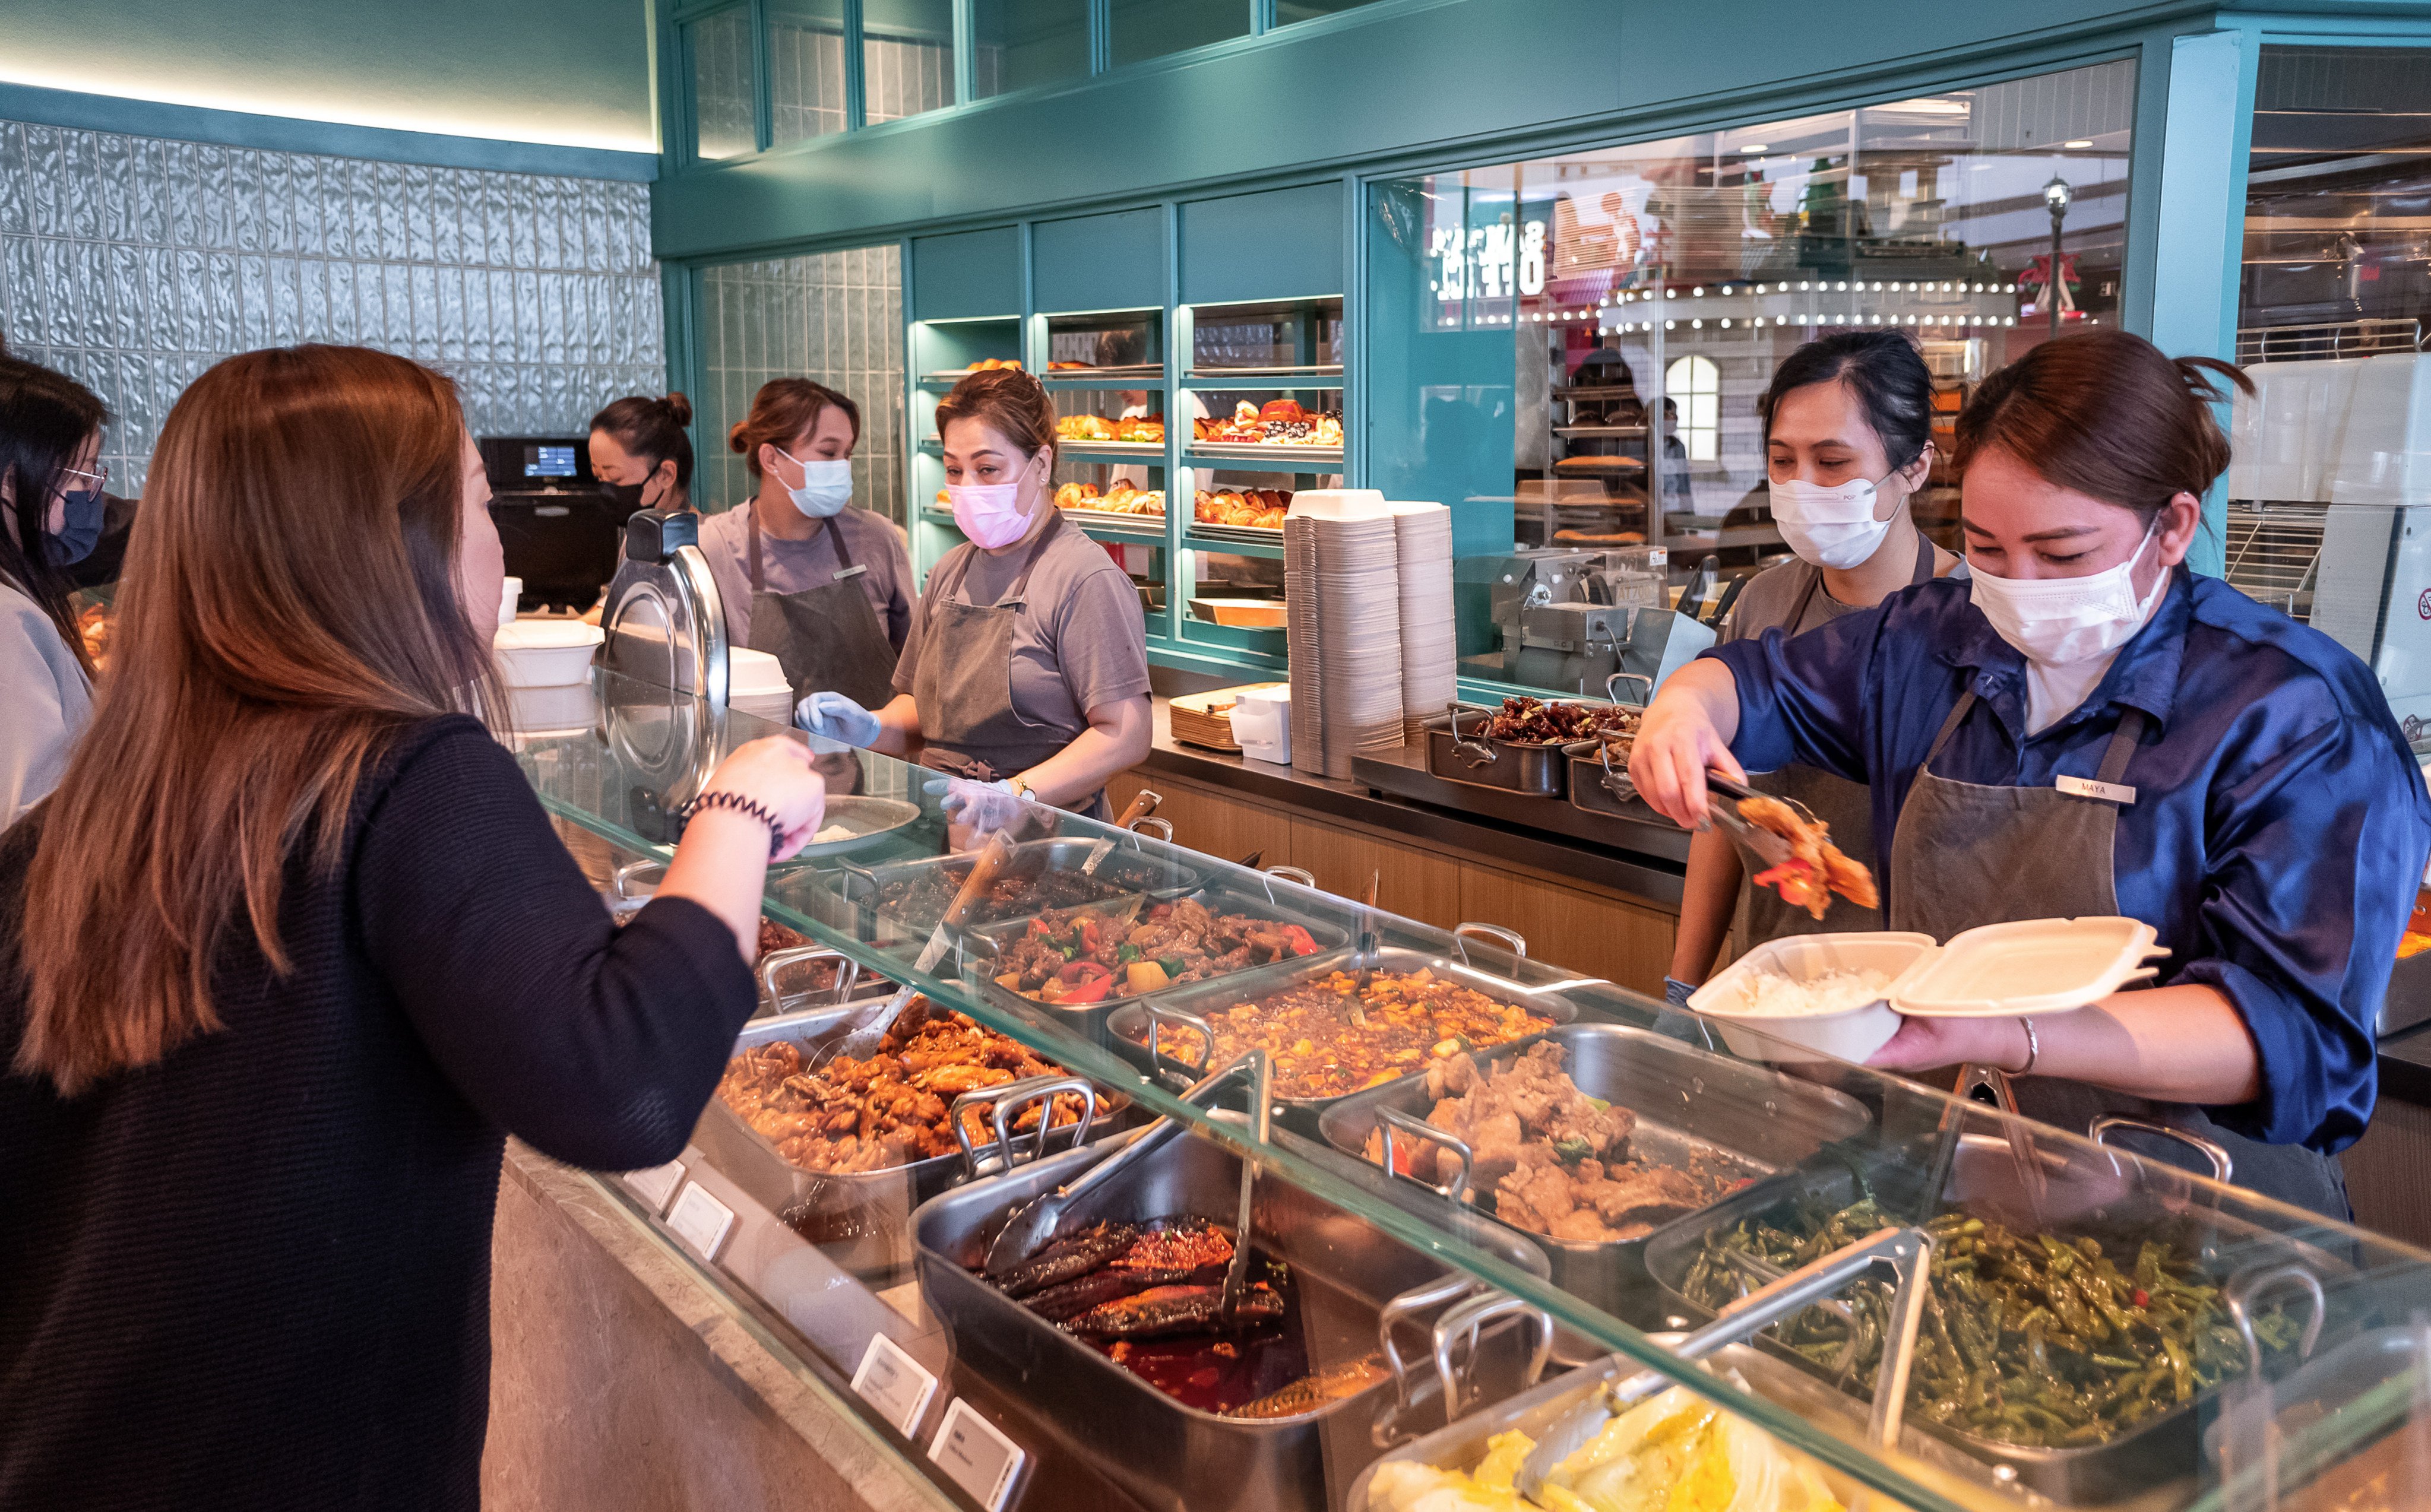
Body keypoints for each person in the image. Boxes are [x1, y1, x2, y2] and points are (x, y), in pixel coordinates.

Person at [0, 344, 828, 1508]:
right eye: (476, 503)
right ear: (401, 547)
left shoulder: (72, 822)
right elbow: (622, 1081)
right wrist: (739, 806)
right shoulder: (402, 774)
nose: (497, 541)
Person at [1629, 329, 2431, 1216]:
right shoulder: (1932, 639)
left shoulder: (2293, 711)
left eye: (2061, 555)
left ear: (2170, 527)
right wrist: (1685, 708)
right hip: (1962, 1178)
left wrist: (2014, 1031)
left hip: (2204, 1217)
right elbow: (1756, 680)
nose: (2018, 586)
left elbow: (2290, 1028)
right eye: (1987, 548)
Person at [1666, 332, 1961, 1004]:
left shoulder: (1969, 618)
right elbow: (1724, 813)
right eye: (1781, 460)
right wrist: (1682, 984)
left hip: (1915, 999)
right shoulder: (1765, 601)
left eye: (1831, 462)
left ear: (1914, 465)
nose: (1802, 485)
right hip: (1770, 985)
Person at [797, 367, 1152, 828]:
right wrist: (873, 727)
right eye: (954, 469)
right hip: (943, 839)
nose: (967, 487)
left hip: (1044, 851)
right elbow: (923, 712)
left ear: (1041, 464)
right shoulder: (950, 571)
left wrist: (1016, 794)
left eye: (988, 469)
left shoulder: (1084, 578)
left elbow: (1126, 733)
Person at [696, 379, 913, 710]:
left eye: (847, 455)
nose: (842, 468)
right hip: (762, 755)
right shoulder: (713, 549)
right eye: (828, 453)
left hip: (876, 758)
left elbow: (920, 668)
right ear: (771, 458)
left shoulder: (876, 539)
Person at [0, 359, 108, 821]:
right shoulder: (9, 624)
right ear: (10, 483)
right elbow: (32, 822)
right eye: (80, 476)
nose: (94, 493)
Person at [588, 391, 694, 516]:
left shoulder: (707, 534)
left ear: (666, 474)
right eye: (599, 477)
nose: (607, 492)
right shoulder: (639, 531)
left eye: (615, 478)